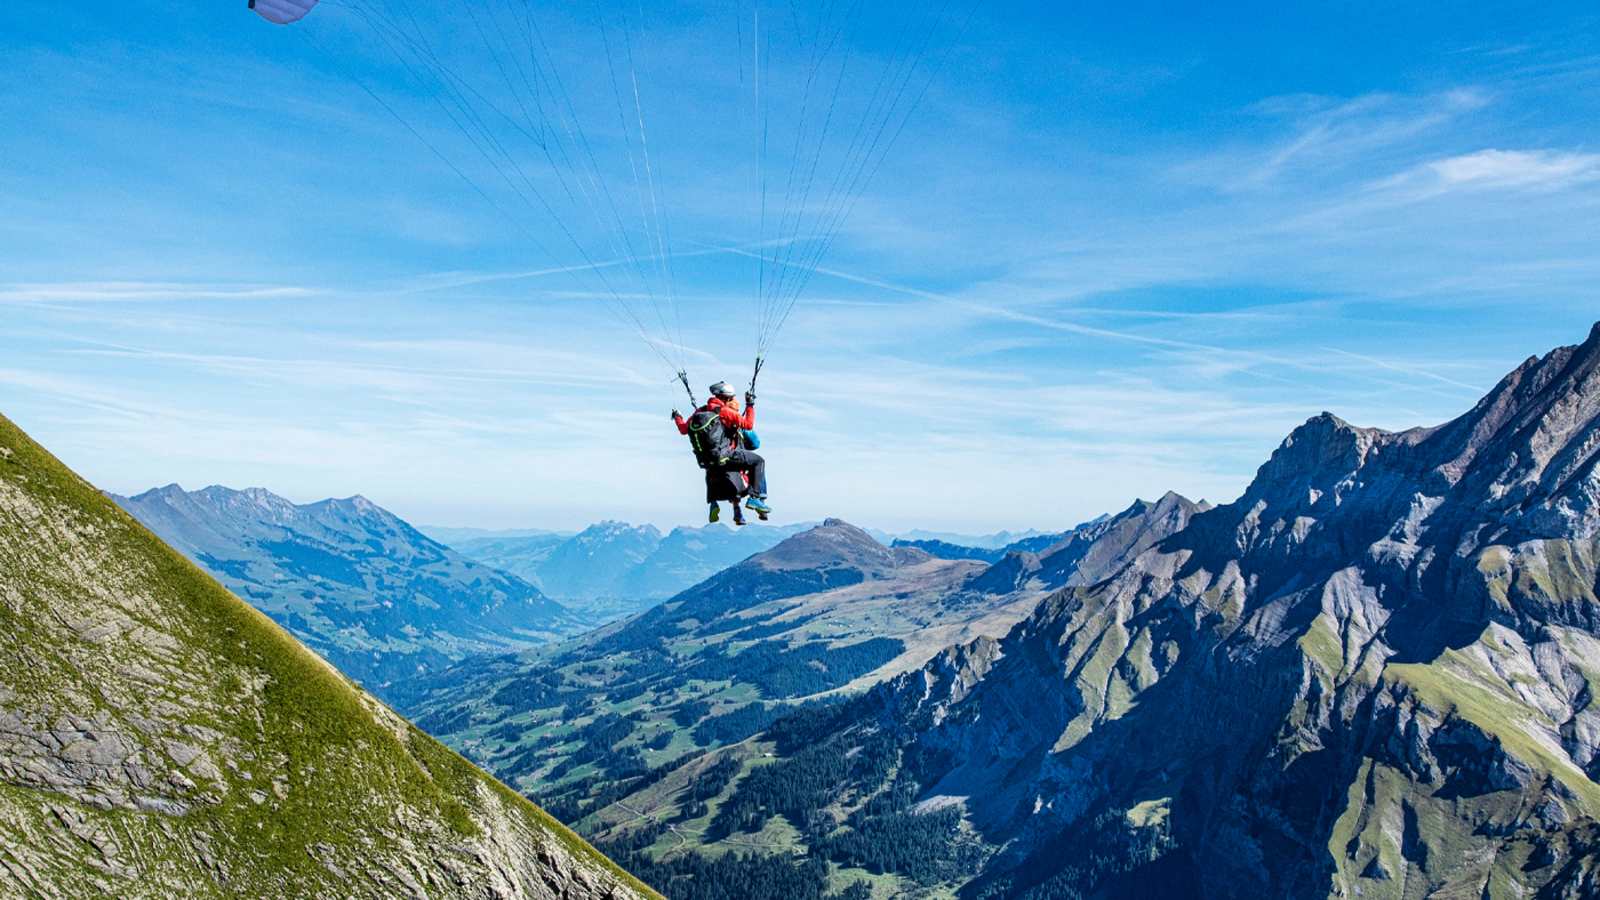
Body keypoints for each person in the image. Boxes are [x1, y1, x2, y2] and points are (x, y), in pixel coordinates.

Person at [673, 381, 770, 523]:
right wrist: (750, 405)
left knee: (713, 471)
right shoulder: (726, 412)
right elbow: (748, 425)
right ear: (726, 398)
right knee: (758, 461)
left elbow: (683, 429)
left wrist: (677, 417)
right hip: (726, 456)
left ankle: (713, 503)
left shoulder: (700, 411)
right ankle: (755, 498)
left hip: (707, 460)